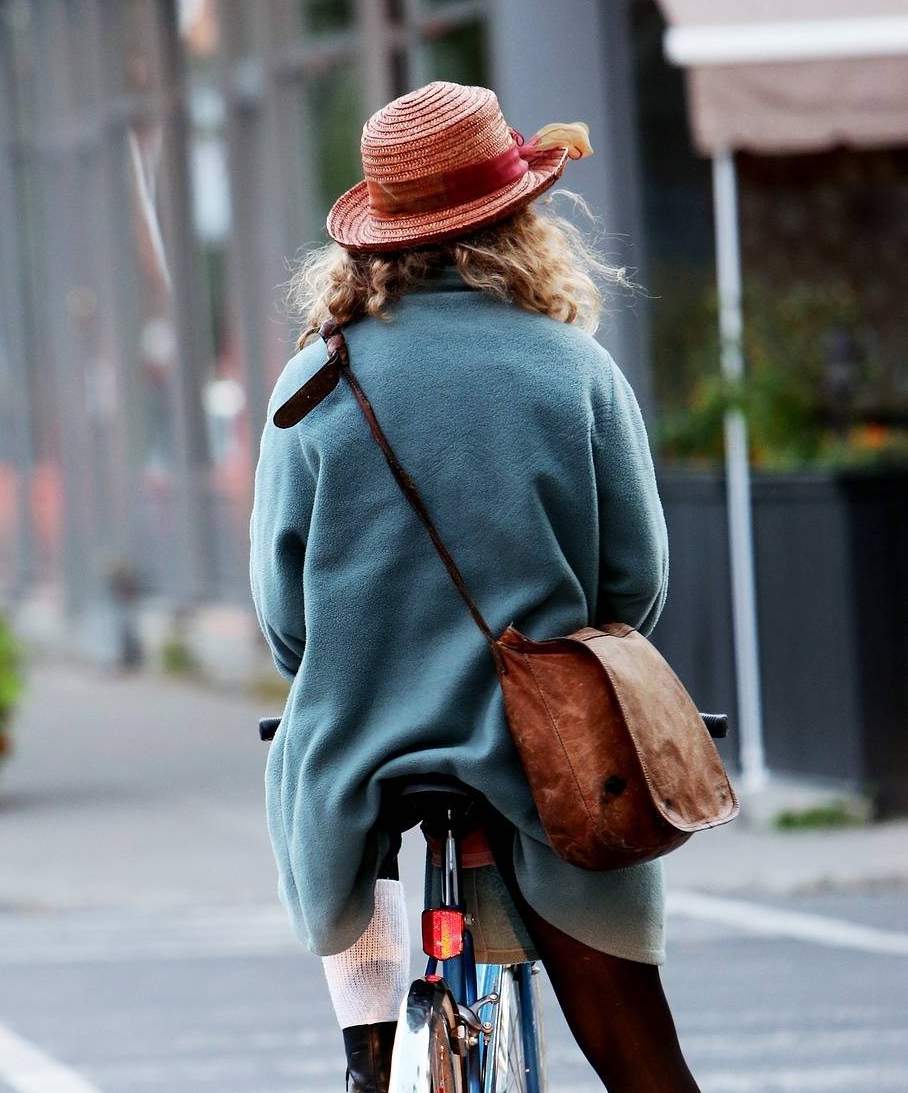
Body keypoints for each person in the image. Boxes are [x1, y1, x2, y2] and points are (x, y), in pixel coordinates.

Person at [249, 82, 701, 1093]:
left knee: (329, 808)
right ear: (518, 220)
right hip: (539, 756)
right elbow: (636, 580)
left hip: (356, 748)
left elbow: (284, 621)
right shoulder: (570, 368)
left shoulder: (310, 382)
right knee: (641, 1057)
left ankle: (374, 1055)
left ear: (370, 238)